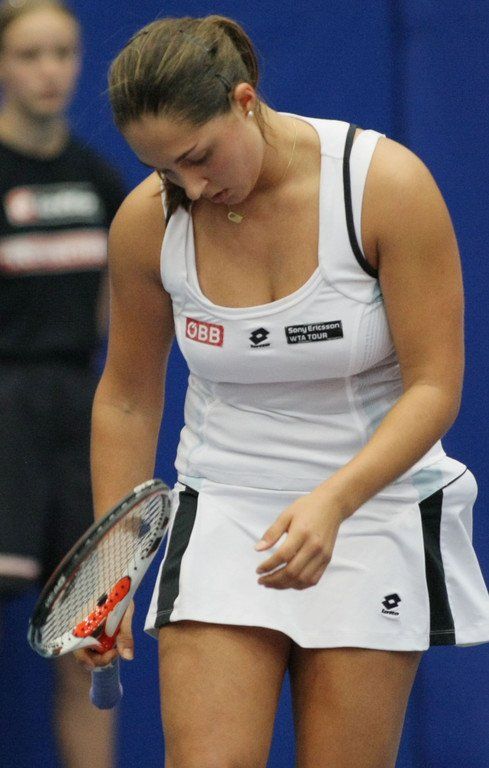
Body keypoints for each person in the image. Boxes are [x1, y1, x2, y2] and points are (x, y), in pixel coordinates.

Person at [77, 14, 489, 768]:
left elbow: (435, 387)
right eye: (164, 170)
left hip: (371, 507)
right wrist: (113, 570)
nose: (189, 187)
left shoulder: (384, 185)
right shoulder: (147, 221)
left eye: (197, 157)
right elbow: (127, 398)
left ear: (244, 101)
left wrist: (334, 501)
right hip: (225, 506)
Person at [0, 1, 126, 766]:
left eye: (63, 52)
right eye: (30, 54)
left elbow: (119, 313)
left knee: (90, 639)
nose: (50, 71)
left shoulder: (98, 180)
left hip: (78, 419)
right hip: (3, 415)